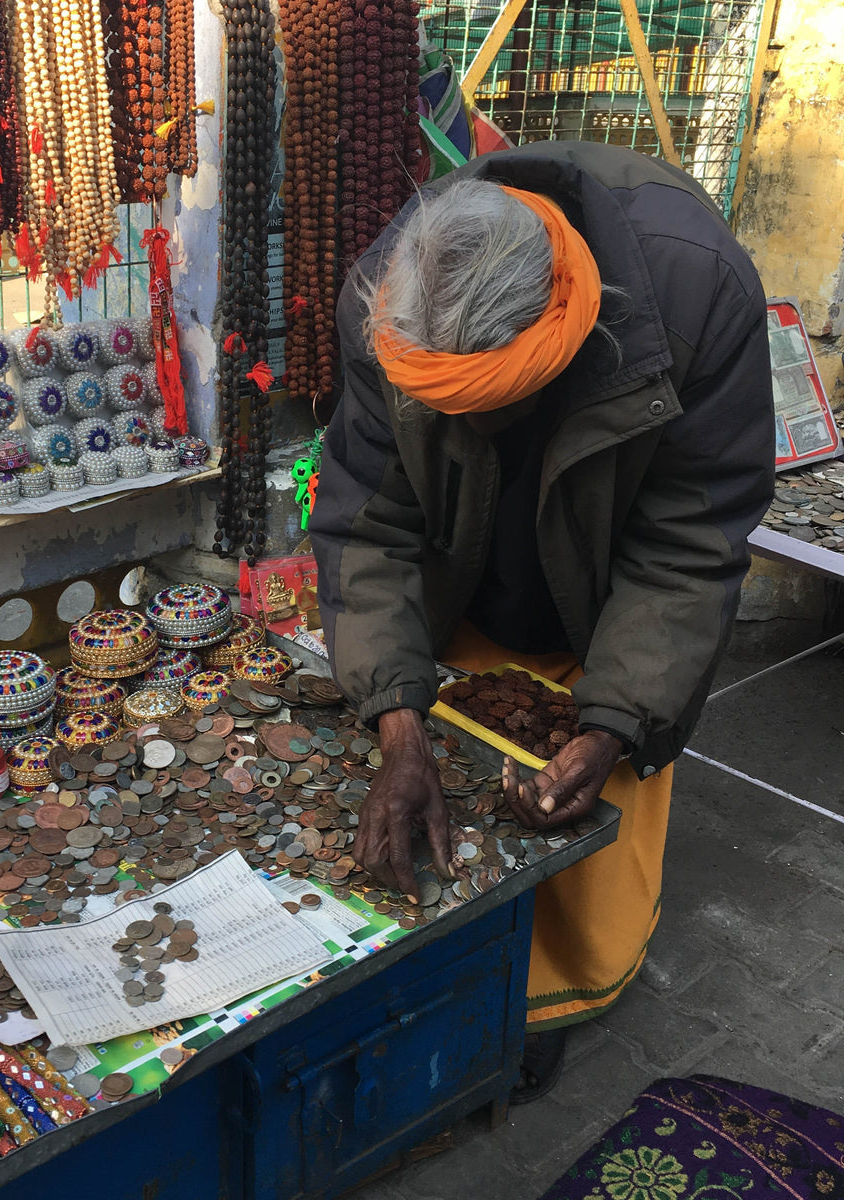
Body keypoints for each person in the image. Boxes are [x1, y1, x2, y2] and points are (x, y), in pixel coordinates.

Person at [308, 141, 775, 1100]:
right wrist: (399, 725)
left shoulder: (698, 297)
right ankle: (454, 986)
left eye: (493, 404)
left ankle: (549, 1009)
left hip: (608, 588)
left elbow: (684, 548)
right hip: (469, 570)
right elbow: (369, 519)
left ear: (572, 333)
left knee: (588, 823)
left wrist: (613, 723)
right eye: (449, 409)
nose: (475, 430)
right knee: (447, 790)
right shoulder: (389, 293)